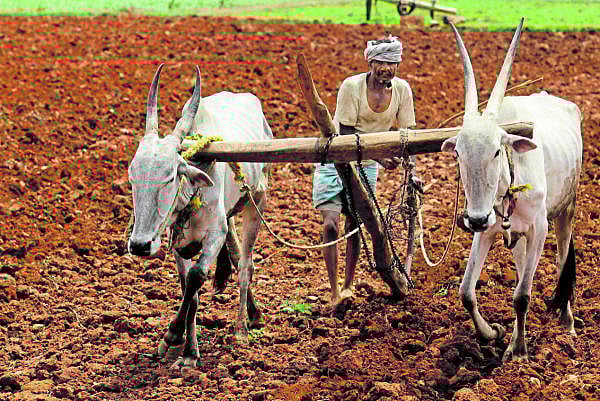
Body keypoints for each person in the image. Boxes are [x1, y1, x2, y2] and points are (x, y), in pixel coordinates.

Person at [312, 34, 417, 310]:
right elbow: (345, 134)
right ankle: (334, 290)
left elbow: (408, 133)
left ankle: (348, 286)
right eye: (380, 62)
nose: (386, 68)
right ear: (370, 62)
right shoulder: (352, 87)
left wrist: (409, 164)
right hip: (335, 158)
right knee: (331, 224)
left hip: (368, 165)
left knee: (355, 225)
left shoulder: (403, 91)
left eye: (391, 63)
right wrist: (381, 157)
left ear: (398, 65)